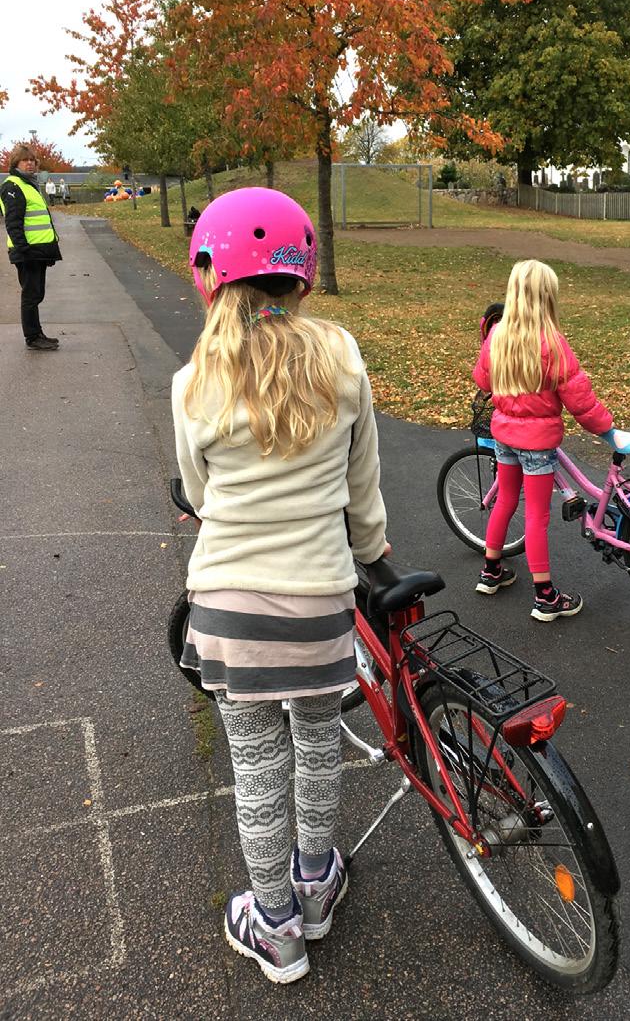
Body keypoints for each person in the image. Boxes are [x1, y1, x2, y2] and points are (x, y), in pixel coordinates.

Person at [172, 187, 388, 984]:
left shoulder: (193, 381)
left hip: (230, 604)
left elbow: (198, 494)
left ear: (209, 278)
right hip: (319, 600)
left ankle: (275, 927)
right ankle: (317, 883)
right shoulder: (341, 359)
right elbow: (362, 486)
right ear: (303, 278)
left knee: (256, 764)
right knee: (318, 742)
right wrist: (370, 547)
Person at [473, 260, 614, 621]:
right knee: (536, 515)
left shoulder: (497, 337)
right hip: (537, 442)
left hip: (504, 435)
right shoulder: (552, 343)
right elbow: (579, 399)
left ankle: (490, 572)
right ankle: (546, 596)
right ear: (547, 297)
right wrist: (606, 430)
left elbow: (484, 382)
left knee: (505, 499)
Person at [0, 144, 62, 350]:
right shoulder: (13, 186)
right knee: (31, 295)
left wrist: (50, 248)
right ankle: (33, 337)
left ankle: (37, 334)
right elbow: (13, 222)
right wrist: (23, 250)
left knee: (36, 294)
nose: (30, 164)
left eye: (32, 161)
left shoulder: (29, 185)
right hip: (28, 252)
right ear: (16, 163)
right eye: (25, 160)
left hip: (38, 251)